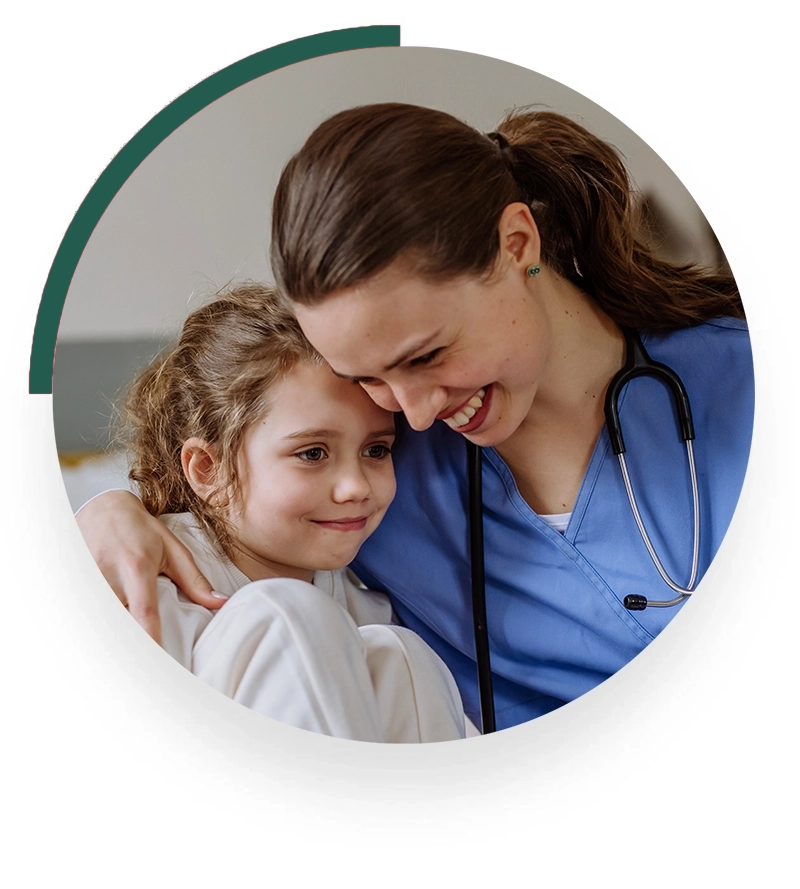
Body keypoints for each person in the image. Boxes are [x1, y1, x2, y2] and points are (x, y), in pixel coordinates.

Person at [77, 104, 754, 733]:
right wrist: (108, 511)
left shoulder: (749, 386)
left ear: (517, 242)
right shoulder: (375, 475)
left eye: (428, 354)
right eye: (367, 376)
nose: (418, 410)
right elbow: (236, 506)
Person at [108, 282, 466, 742]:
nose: (356, 486)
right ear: (208, 469)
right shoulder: (148, 588)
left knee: (402, 655)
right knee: (288, 614)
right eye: (313, 453)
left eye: (376, 450)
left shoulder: (364, 607)